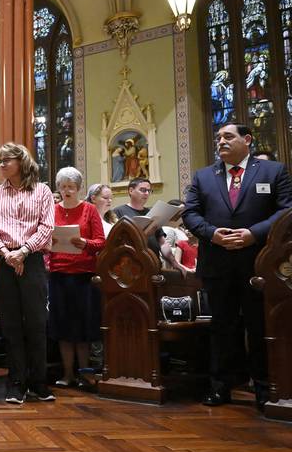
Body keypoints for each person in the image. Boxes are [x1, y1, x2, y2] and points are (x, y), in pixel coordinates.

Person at [183, 122, 292, 410]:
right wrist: (211, 233)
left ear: (247, 139)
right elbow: (191, 212)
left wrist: (253, 234)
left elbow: (286, 210)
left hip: (258, 262)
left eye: (228, 136)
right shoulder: (204, 176)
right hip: (217, 262)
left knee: (259, 325)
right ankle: (220, 387)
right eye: (218, 137)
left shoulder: (272, 171)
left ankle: (264, 387)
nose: (221, 141)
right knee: (221, 326)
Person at [0, 143, 55, 405]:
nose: (1, 165)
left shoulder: (42, 191)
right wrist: (6, 253)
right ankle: (15, 383)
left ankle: (38, 382)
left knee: (36, 322)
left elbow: (47, 227)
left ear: (21, 162)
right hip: (3, 260)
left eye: (6, 160)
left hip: (31, 259)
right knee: (11, 324)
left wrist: (23, 252)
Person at [48, 167, 105, 389]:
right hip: (59, 273)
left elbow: (101, 241)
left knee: (83, 326)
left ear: (79, 188)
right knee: (62, 325)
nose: (66, 191)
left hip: (84, 275)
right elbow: (43, 237)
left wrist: (86, 244)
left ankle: (85, 374)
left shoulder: (89, 210)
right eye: (62, 187)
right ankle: (67, 373)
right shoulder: (52, 210)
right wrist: (48, 243)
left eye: (71, 187)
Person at [112, 178, 186, 274]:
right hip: (131, 266)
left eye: (149, 191)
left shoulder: (152, 212)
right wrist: (145, 234)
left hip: (153, 263)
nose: (146, 193)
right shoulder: (118, 211)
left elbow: (162, 243)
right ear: (131, 190)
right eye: (143, 190)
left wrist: (174, 263)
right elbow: (117, 242)